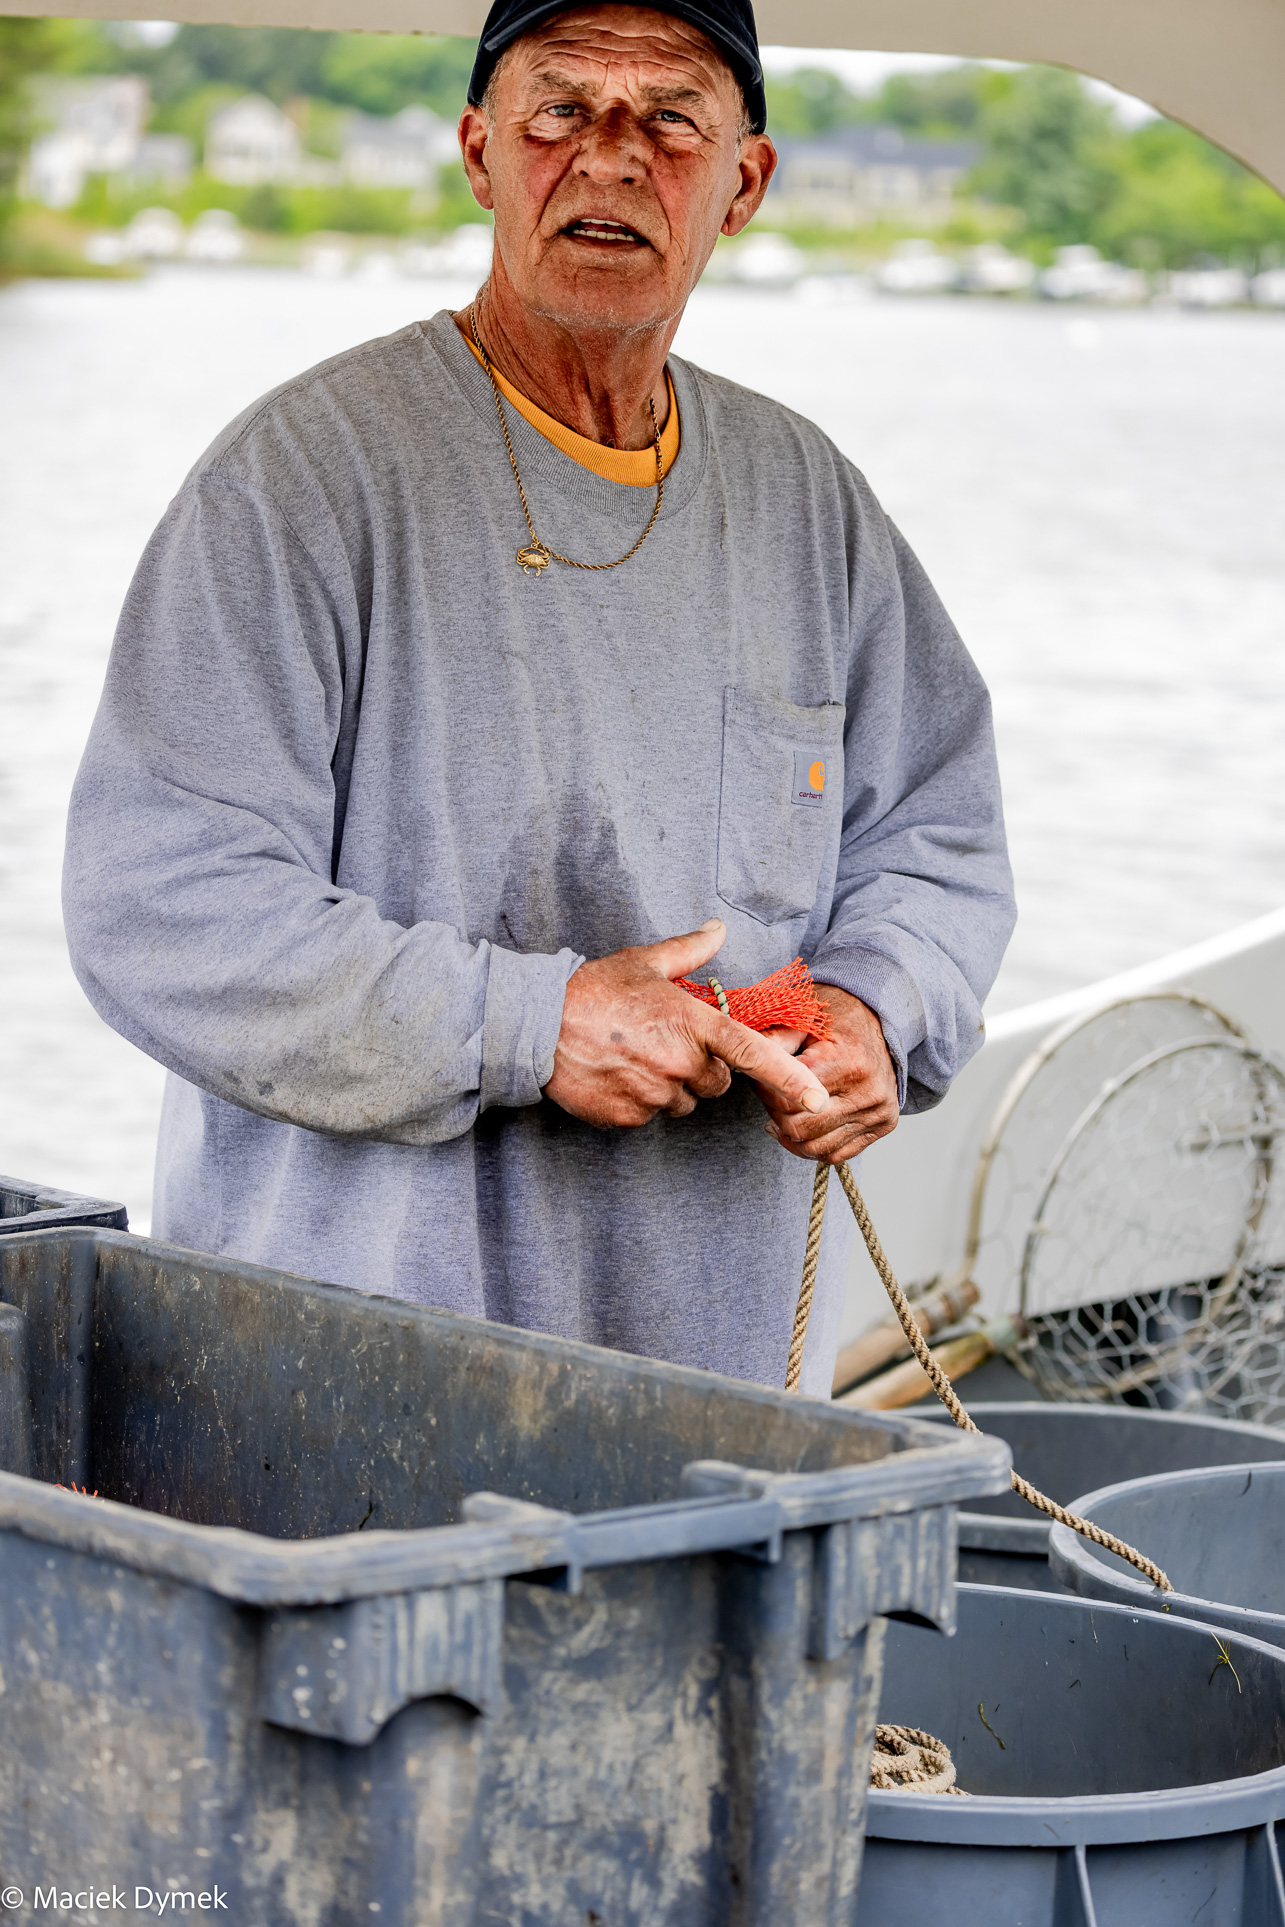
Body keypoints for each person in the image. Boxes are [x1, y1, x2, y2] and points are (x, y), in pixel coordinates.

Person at [62, 0, 1015, 1397]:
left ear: (741, 183)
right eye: (559, 110)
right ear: (479, 154)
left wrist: (878, 1005)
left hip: (712, 1399)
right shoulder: (298, 477)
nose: (612, 159)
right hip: (345, 1390)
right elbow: (159, 903)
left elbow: (936, 838)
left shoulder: (808, 500)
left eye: (671, 119)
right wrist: (533, 1021)